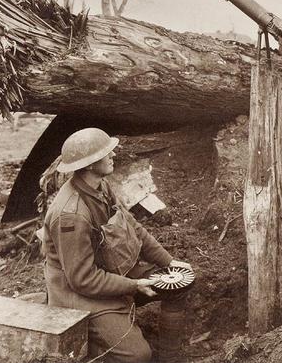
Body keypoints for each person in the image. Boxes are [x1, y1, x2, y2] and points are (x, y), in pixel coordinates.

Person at [42, 127, 191, 363]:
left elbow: (133, 228)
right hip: (77, 294)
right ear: (90, 164)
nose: (114, 155)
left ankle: (169, 359)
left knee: (178, 285)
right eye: (107, 153)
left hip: (110, 270)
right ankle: (89, 351)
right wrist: (133, 285)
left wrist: (169, 262)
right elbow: (82, 279)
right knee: (137, 356)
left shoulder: (101, 186)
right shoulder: (71, 215)